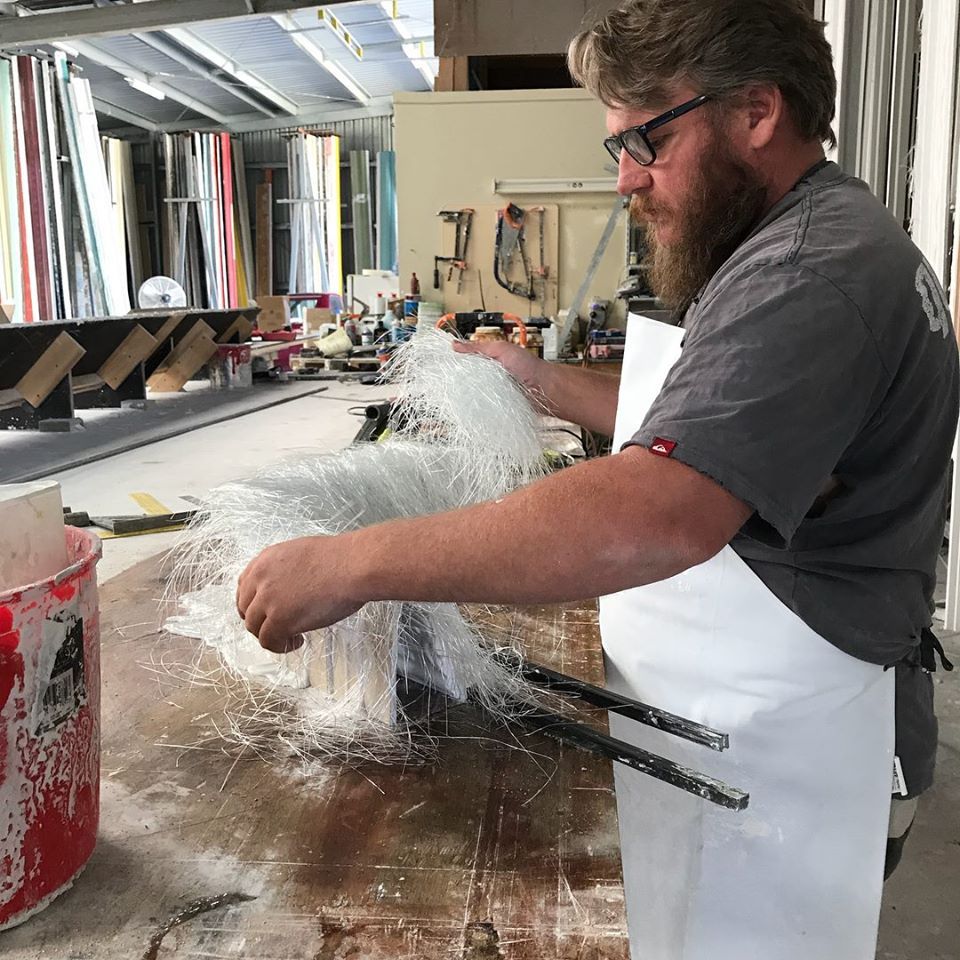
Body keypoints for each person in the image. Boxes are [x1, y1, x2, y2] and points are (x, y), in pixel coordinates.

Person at [236, 1, 958, 956]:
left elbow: (656, 511)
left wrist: (350, 564)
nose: (626, 181)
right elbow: (712, 426)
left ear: (755, 113)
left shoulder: (806, 276)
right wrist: (530, 378)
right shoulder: (819, 232)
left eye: (644, 141)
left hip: (790, 736)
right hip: (762, 692)